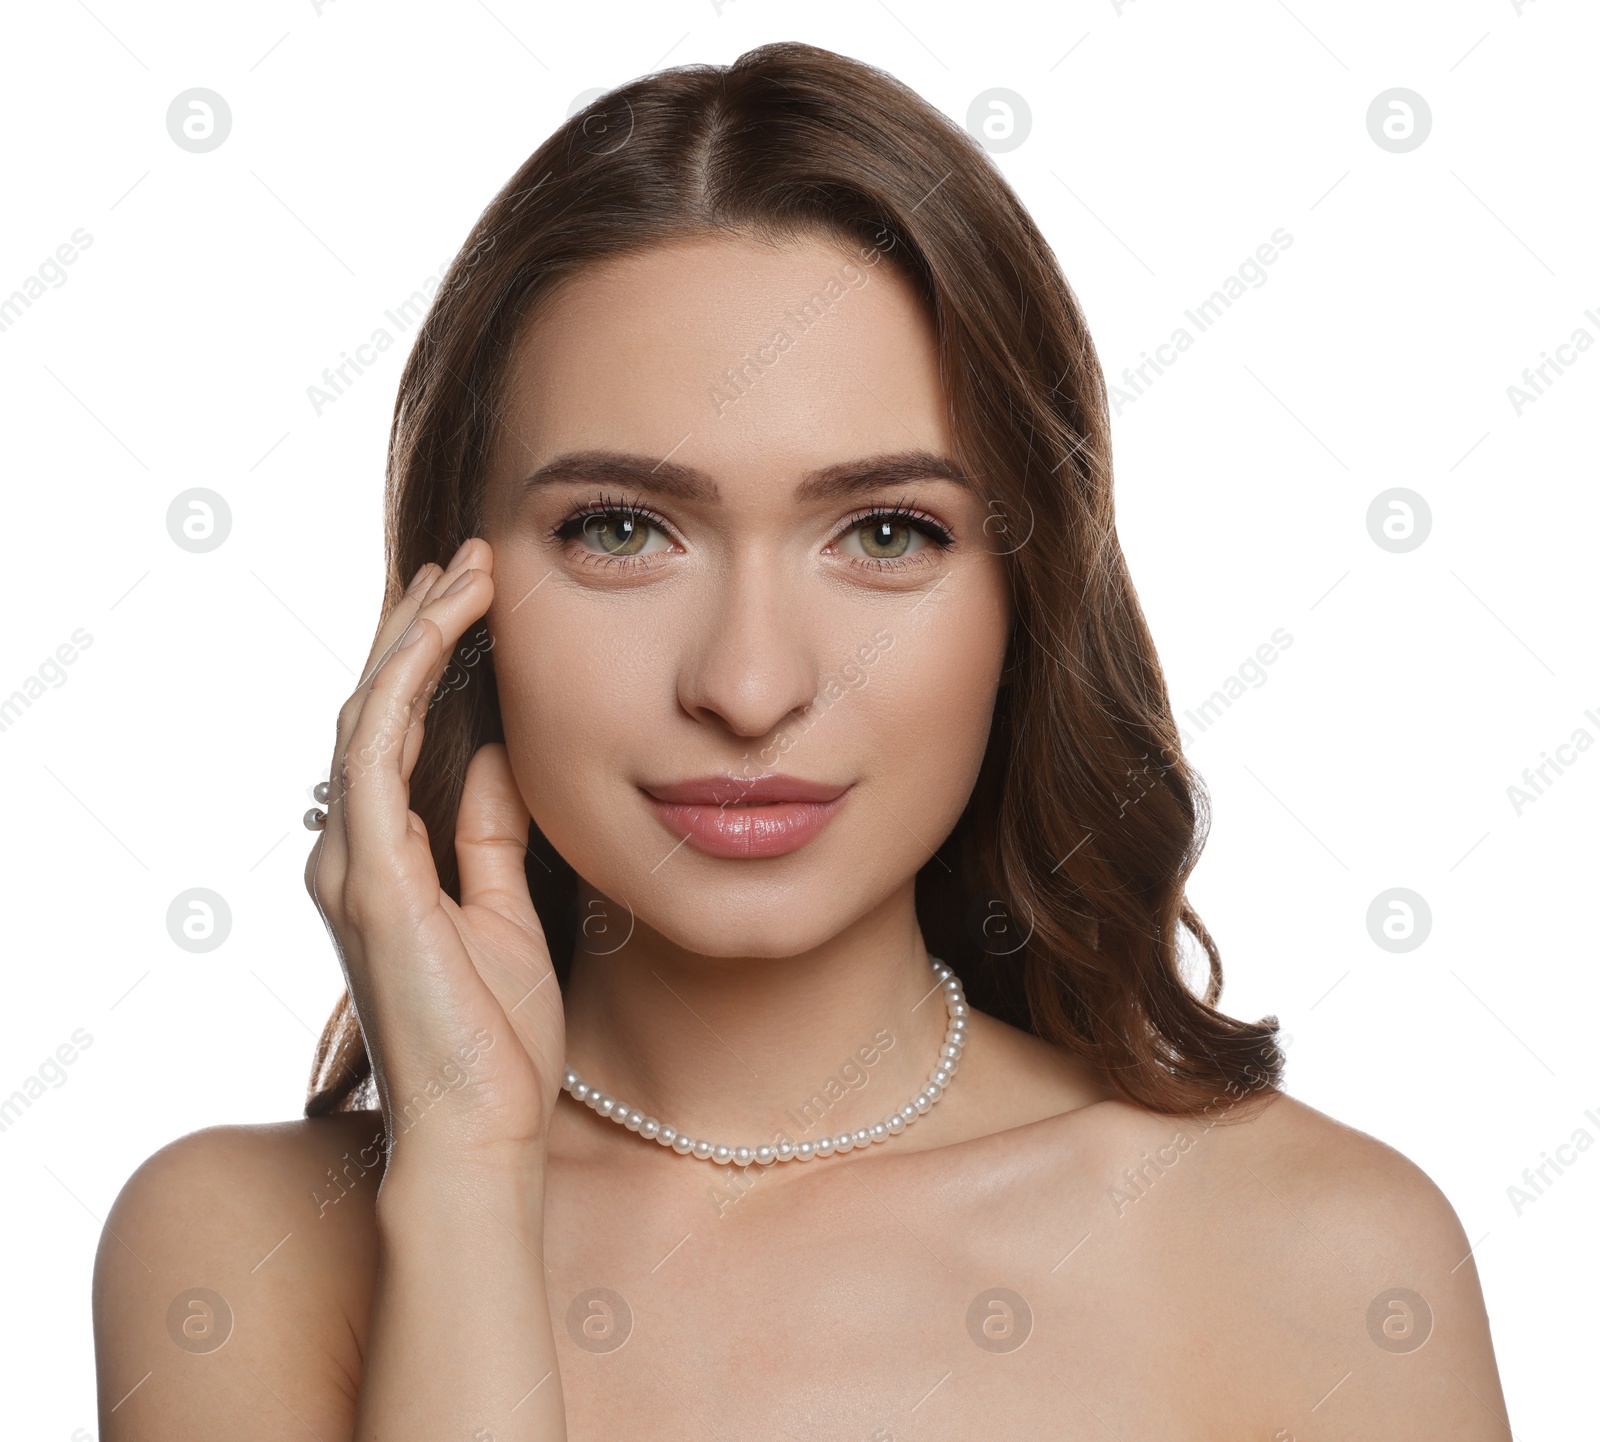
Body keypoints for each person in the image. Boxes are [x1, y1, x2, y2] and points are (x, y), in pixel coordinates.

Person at [92, 41, 1509, 1441]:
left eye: (886, 533)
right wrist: (465, 1171)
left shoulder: (1324, 1258)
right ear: (454, 605)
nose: (750, 684)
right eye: (623, 529)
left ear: (1028, 595)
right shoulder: (237, 1251)